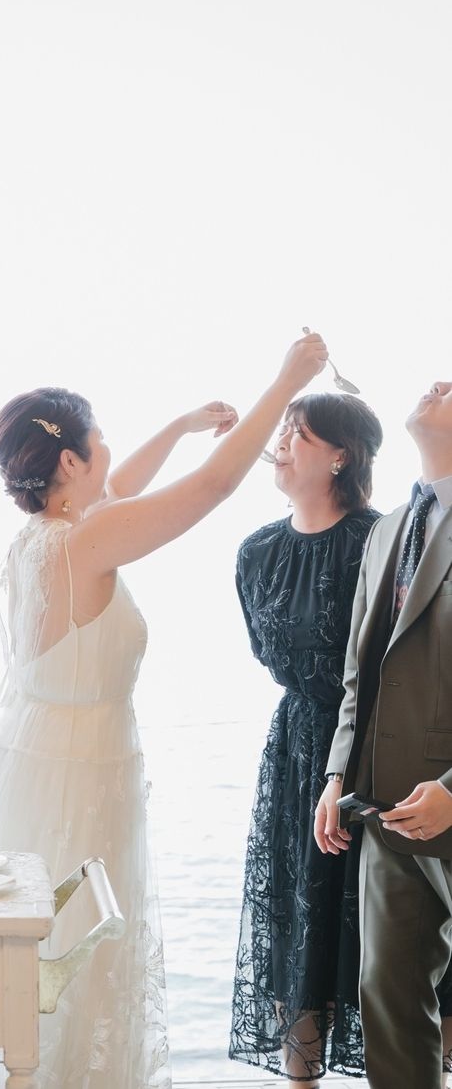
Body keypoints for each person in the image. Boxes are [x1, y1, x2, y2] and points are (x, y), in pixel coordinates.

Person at [0, 332, 328, 1089]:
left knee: (46, 957)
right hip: (81, 777)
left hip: (39, 761)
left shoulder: (45, 536)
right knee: (83, 952)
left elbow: (120, 490)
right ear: (70, 463)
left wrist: (182, 424)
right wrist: (286, 379)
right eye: (99, 439)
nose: (108, 450)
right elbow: (213, 487)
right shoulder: (89, 540)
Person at [227, 392, 403, 1085]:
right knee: (293, 933)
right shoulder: (257, 552)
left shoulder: (383, 541)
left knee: (383, 935)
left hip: (377, 750)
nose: (280, 443)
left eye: (297, 433)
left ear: (340, 456)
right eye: (281, 430)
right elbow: (265, 652)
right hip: (295, 750)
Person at [316, 380, 452, 1089]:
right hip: (387, 810)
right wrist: (337, 776)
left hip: (446, 799)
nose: (438, 383)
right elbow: (358, 673)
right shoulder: (388, 528)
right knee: (389, 1000)